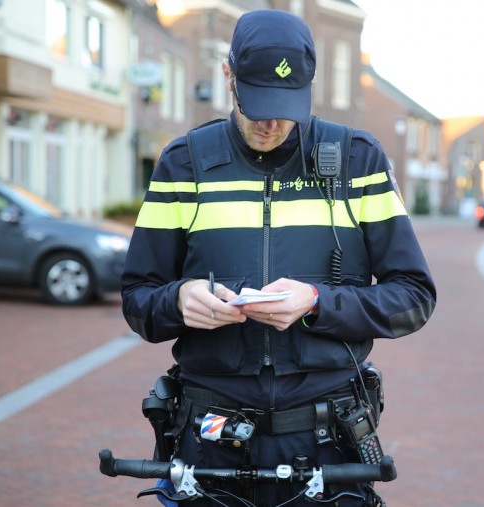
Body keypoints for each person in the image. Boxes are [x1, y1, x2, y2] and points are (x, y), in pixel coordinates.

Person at [121, 9, 436, 507]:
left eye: (286, 107)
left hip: (326, 439)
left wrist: (317, 302)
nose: (270, 123)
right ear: (228, 76)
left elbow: (414, 299)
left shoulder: (359, 160)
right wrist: (179, 300)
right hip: (210, 434)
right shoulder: (183, 163)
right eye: (257, 104)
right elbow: (137, 299)